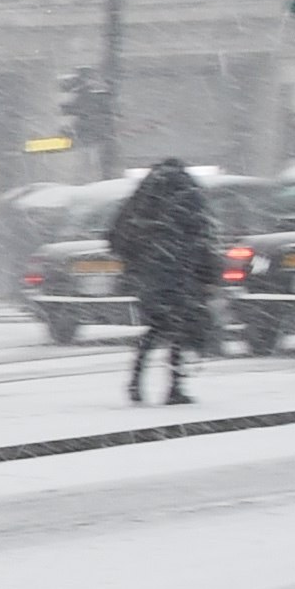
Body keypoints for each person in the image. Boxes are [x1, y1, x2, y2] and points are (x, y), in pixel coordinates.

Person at [107, 159, 217, 407]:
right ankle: (175, 387)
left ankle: (136, 382)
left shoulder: (143, 197)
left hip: (150, 273)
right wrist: (208, 274)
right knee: (179, 328)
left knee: (156, 328)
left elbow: (116, 235)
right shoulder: (188, 193)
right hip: (179, 270)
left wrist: (135, 265)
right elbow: (202, 237)